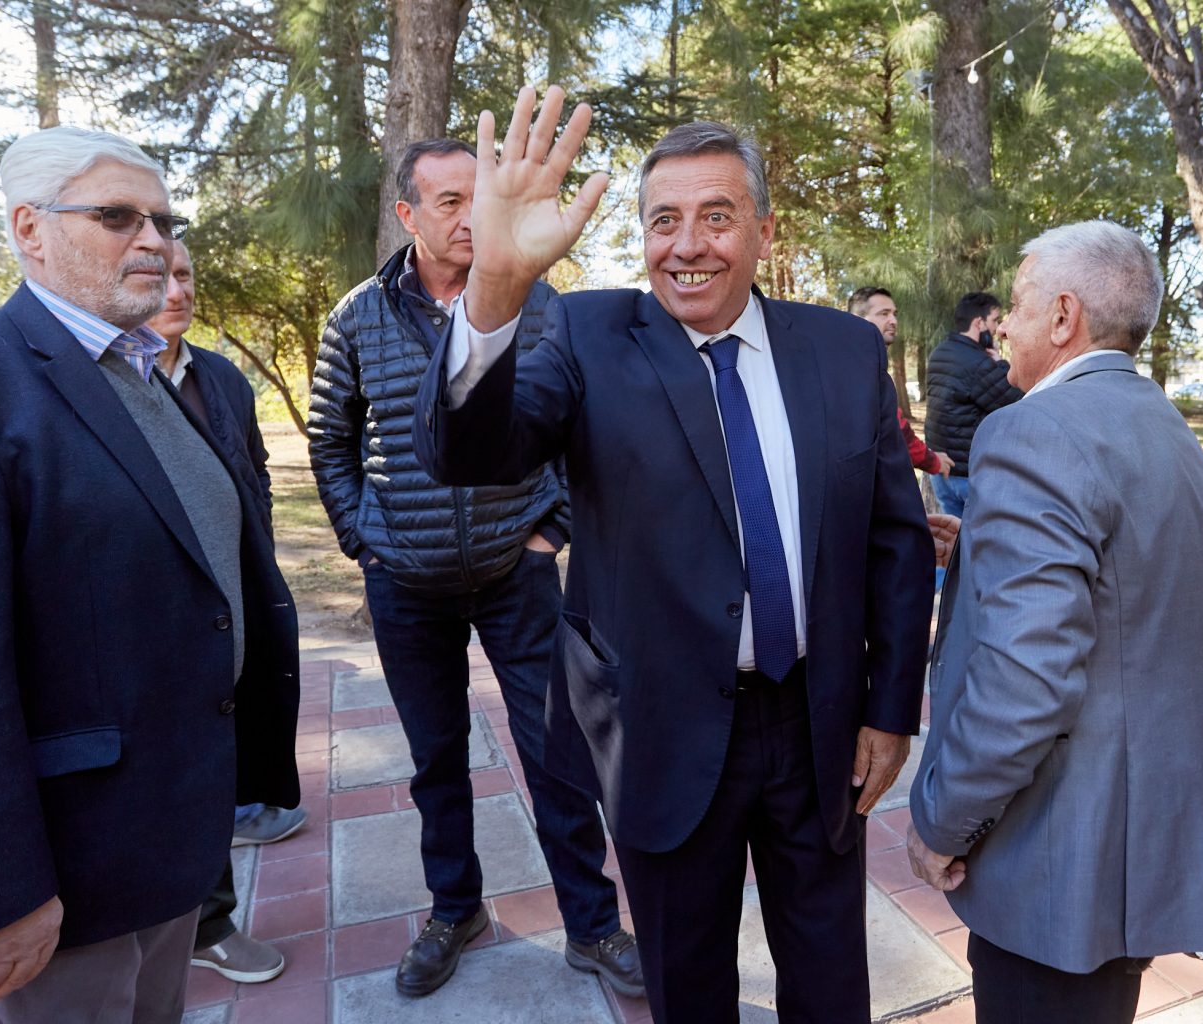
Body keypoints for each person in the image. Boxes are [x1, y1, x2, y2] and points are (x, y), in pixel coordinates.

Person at [413, 90, 932, 1023]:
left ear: (764, 231)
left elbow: (895, 542)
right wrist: (494, 285)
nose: (687, 245)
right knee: (686, 991)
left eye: (716, 217)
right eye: (663, 221)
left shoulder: (846, 350)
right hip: (660, 728)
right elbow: (468, 454)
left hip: (818, 728)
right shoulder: (586, 336)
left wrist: (891, 709)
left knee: (831, 985)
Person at [0, 126, 302, 1021]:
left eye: (163, 221)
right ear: (29, 228)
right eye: (118, 216)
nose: (153, 241)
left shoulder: (141, 374)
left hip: (167, 839)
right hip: (54, 873)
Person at [308, 137, 641, 999]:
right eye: (447, 201)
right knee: (435, 759)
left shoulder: (539, 303)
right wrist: (363, 538)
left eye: (477, 197)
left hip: (515, 573)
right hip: (404, 581)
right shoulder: (357, 316)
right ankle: (455, 910)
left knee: (556, 754)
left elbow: (582, 432)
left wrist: (550, 531)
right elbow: (330, 439)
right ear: (408, 215)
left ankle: (593, 925)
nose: (469, 216)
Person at [905, 221, 1203, 1024]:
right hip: (1143, 835)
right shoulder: (1164, 423)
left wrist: (942, 823)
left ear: (1063, 316)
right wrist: (980, 550)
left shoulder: (1032, 430)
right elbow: (1124, 588)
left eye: (1018, 305)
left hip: (1060, 851)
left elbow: (1024, 682)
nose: (1003, 328)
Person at [146, 241, 310, 985]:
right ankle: (201, 925)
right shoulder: (105, 381)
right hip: (155, 614)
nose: (175, 291)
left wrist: (258, 554)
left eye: (184, 275)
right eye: (159, 278)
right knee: (175, 765)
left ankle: (206, 913)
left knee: (223, 752)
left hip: (235, 605)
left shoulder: (221, 377)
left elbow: (256, 474)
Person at [923, 290, 1022, 517]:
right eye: (994, 320)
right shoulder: (978, 363)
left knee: (954, 534)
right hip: (969, 476)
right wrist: (1001, 362)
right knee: (980, 537)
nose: (998, 328)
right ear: (979, 323)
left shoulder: (940, 352)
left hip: (941, 470)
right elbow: (1016, 401)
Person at [847, 286, 953, 479]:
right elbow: (893, 430)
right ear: (857, 319)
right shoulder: (856, 365)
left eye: (894, 314)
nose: (893, 321)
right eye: (884, 313)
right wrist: (932, 461)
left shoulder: (866, 360)